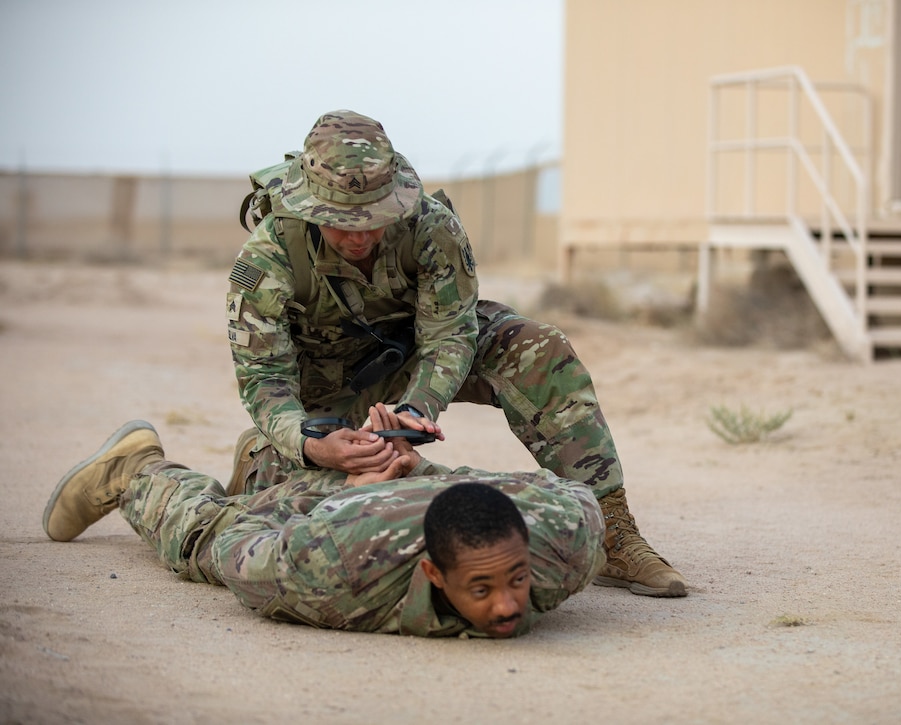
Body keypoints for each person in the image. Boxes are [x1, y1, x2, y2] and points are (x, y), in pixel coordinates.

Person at [225, 109, 687, 597]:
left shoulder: (429, 226)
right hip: (328, 389)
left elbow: (449, 333)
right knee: (309, 493)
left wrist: (417, 407)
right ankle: (257, 458)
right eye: (341, 223)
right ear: (310, 207)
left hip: (416, 357)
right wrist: (309, 443)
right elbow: (264, 379)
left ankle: (615, 534)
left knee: (535, 347)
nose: (359, 236)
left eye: (375, 218)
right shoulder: (268, 255)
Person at [41, 408, 605, 638]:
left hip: (399, 484)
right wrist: (335, 503)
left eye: (514, 580)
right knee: (202, 541)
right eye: (480, 589)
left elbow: (560, 490)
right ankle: (135, 469)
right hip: (334, 518)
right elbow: (238, 552)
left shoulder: (565, 541)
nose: (508, 605)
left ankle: (269, 464)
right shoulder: (335, 565)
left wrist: (420, 466)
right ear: (433, 574)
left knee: (345, 483)